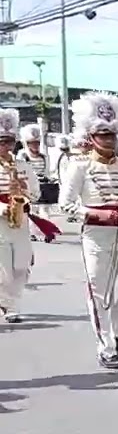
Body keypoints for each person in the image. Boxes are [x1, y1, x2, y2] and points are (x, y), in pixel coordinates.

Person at [58, 91, 118, 369]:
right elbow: (65, 206)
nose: (110, 140)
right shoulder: (79, 167)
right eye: (104, 135)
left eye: (113, 135)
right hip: (96, 237)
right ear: (91, 137)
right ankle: (107, 347)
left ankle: (114, 332)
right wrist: (97, 212)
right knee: (99, 293)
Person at [0, 109, 43, 323]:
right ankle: (9, 305)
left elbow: (36, 193)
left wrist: (25, 190)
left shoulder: (23, 165)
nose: (6, 147)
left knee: (22, 265)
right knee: (3, 268)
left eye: (9, 142)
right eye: (2, 142)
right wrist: (2, 208)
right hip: (0, 221)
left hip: (21, 220)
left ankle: (10, 301)